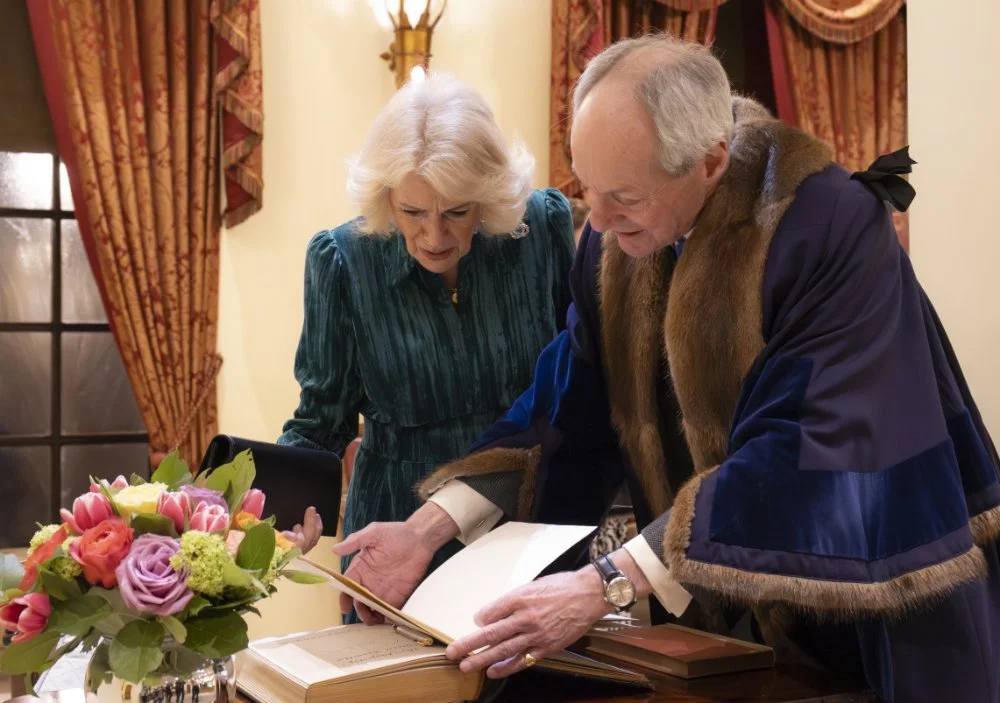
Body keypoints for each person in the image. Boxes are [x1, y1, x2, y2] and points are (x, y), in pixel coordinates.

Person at [332, 35, 1000, 702]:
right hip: (724, 627)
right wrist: (427, 529)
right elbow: (563, 406)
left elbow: (801, 449)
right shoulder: (615, 236)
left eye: (622, 194)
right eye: (587, 188)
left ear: (711, 160)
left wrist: (607, 583)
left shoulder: (830, 227)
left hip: (872, 604)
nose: (597, 218)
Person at [276, 73, 577, 618]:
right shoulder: (344, 261)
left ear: (486, 195)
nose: (435, 236)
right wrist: (275, 508)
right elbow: (322, 419)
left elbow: (581, 379)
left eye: (457, 212)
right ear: (385, 195)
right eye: (413, 213)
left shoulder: (540, 231)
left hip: (527, 517)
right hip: (397, 531)